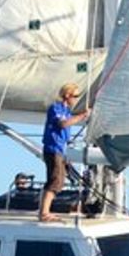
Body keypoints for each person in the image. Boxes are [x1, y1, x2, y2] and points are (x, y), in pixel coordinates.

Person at [39, 82, 90, 222]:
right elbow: (62, 124)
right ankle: (44, 212)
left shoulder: (67, 112)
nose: (76, 99)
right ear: (67, 95)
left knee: (59, 180)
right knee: (54, 180)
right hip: (53, 148)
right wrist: (81, 116)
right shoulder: (56, 108)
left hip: (60, 149)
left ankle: (45, 211)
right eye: (75, 96)